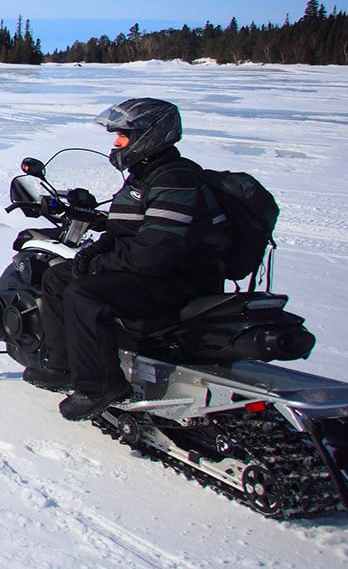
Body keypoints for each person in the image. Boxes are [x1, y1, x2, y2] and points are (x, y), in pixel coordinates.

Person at [26, 97, 228, 421]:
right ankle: (63, 364)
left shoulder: (175, 179)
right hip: (156, 273)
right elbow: (122, 232)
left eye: (123, 136)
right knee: (58, 277)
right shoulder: (145, 175)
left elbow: (154, 253)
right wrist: (91, 254)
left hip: (182, 279)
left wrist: (97, 266)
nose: (117, 143)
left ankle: (101, 386)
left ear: (150, 135)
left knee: (85, 294)